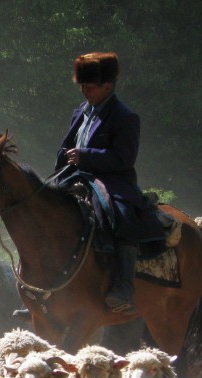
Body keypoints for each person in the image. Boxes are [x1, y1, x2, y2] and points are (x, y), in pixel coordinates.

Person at [53, 51, 149, 315]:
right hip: (74, 176)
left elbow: (124, 158)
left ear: (107, 86)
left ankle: (123, 288)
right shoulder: (80, 112)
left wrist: (86, 156)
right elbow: (66, 147)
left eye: (89, 86)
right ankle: (46, 291)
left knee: (121, 216)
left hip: (111, 180)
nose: (84, 90)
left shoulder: (125, 117)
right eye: (81, 85)